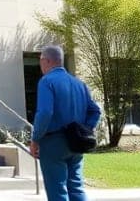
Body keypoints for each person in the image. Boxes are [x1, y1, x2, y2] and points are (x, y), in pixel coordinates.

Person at [28, 45, 102, 201]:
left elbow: (45, 113)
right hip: (76, 142)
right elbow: (95, 111)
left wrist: (35, 139)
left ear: (46, 61)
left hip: (53, 142)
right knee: (76, 187)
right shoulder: (79, 84)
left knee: (57, 190)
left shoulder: (46, 81)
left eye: (40, 61)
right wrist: (84, 129)